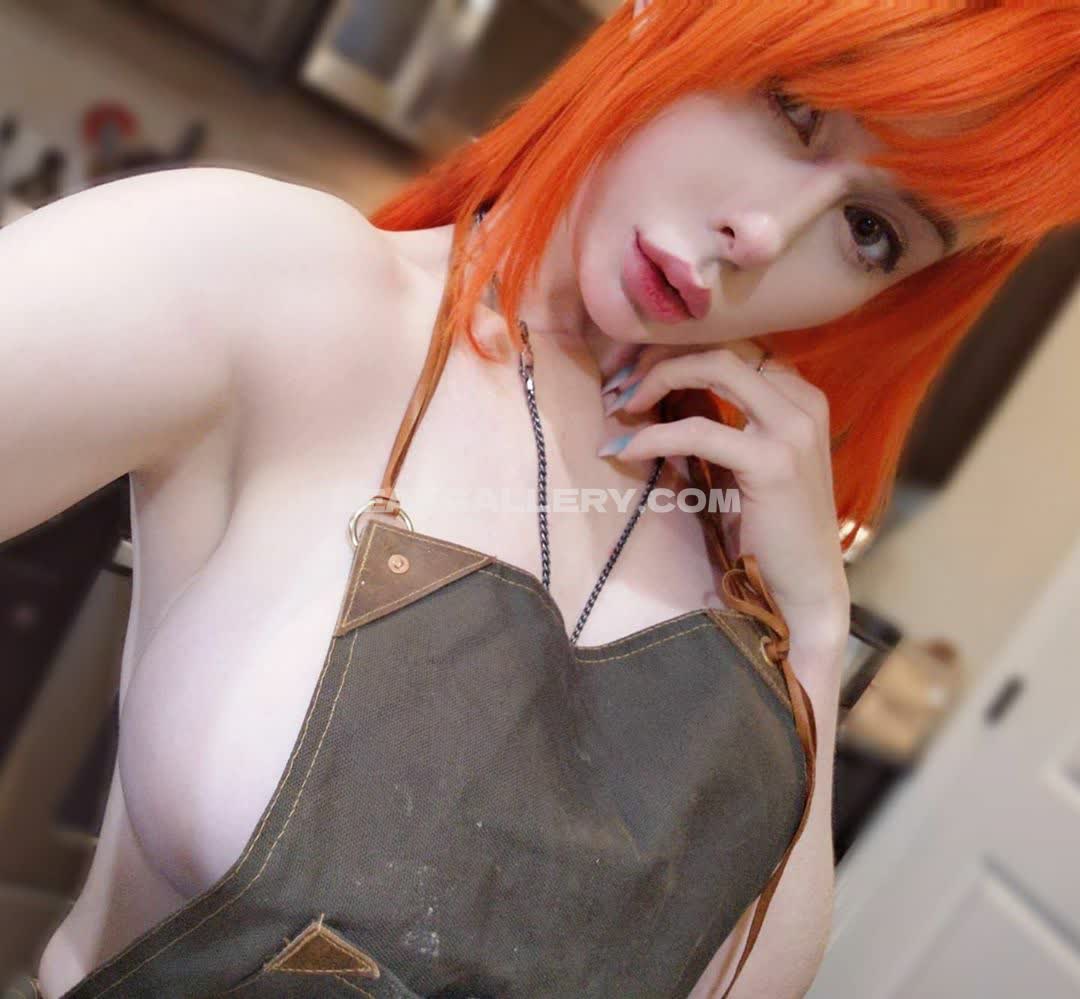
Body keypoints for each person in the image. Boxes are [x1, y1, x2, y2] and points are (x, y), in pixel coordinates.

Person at [3, 1, 1077, 997]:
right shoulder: (282, 292)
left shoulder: (730, 545)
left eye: (871, 228)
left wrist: (812, 630)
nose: (763, 234)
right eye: (794, 109)